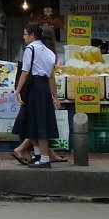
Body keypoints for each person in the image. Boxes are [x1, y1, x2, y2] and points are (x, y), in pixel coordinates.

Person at [12, 26, 67, 164]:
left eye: (25, 34)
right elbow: (51, 77)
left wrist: (17, 90)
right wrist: (55, 96)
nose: (24, 37)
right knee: (35, 122)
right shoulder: (49, 52)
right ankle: (38, 156)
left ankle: (44, 159)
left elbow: (25, 72)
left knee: (38, 123)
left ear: (32, 35)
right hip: (43, 89)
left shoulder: (30, 49)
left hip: (33, 87)